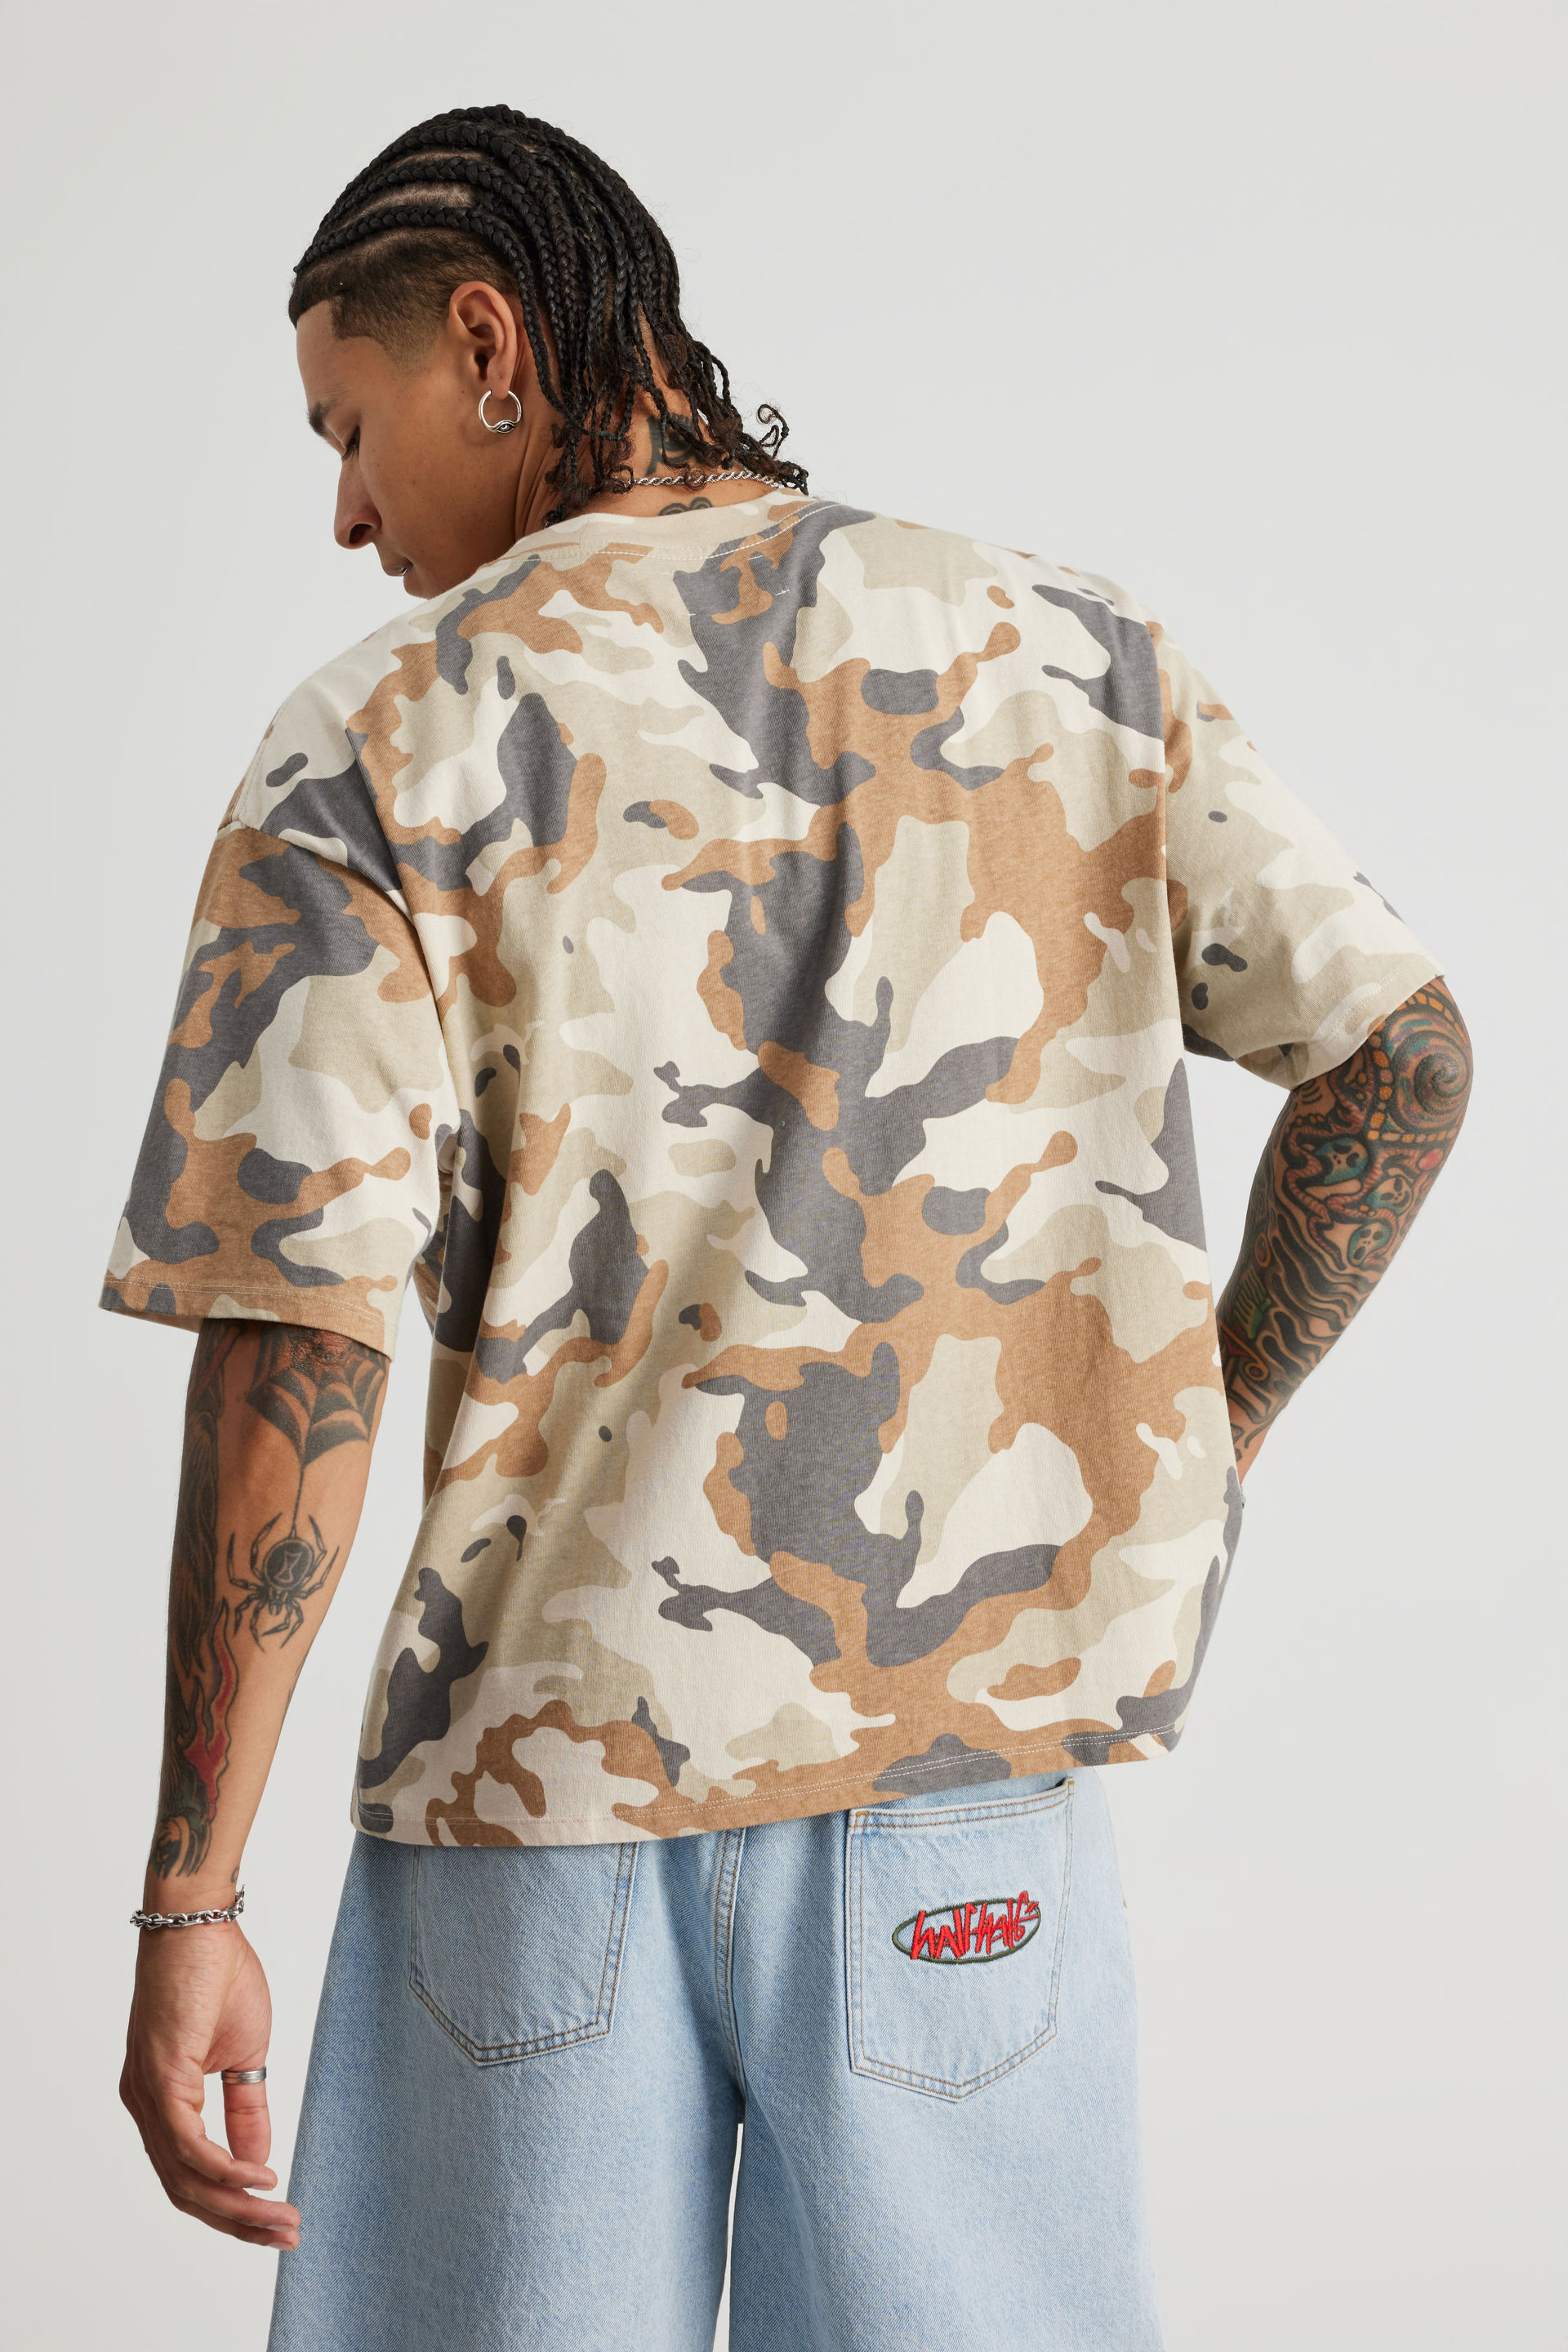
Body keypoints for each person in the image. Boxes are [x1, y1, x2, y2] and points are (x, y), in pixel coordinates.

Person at [106, 104, 1472, 2352]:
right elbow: (1403, 1062)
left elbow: (296, 1341)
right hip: (962, 1796)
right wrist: (1195, 1446)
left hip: (534, 1810)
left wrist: (191, 1895)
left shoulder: (378, 743)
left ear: (489, 346)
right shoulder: (1070, 655)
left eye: (349, 430)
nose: (346, 511)